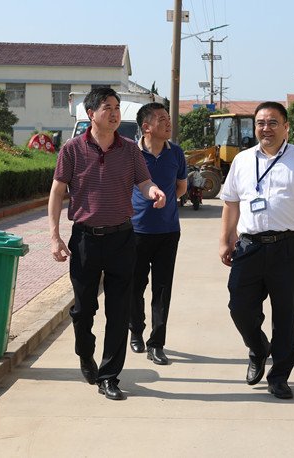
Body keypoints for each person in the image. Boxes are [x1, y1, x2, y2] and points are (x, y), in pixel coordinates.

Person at [48, 87, 166, 401]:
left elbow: (144, 181)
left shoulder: (130, 150)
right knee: (83, 310)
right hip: (85, 240)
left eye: (116, 107)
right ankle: (85, 352)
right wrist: (55, 237)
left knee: (119, 310)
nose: (114, 113)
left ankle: (109, 376)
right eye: (107, 107)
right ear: (91, 114)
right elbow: (57, 192)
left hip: (122, 239)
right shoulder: (72, 149)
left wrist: (153, 191)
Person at [218, 101, 294, 399]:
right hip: (248, 247)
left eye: (272, 123)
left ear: (285, 127)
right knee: (239, 307)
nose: (265, 128)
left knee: (285, 315)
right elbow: (231, 202)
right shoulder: (242, 160)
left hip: (287, 248)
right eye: (260, 123)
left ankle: (279, 377)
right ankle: (257, 347)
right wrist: (225, 239)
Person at [129, 102, 188, 365]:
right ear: (146, 127)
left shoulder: (176, 152)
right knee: (134, 286)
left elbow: (181, 187)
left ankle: (157, 343)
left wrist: (166, 203)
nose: (168, 123)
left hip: (168, 231)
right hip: (136, 231)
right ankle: (136, 331)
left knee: (162, 289)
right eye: (161, 119)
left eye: (168, 118)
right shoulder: (131, 154)